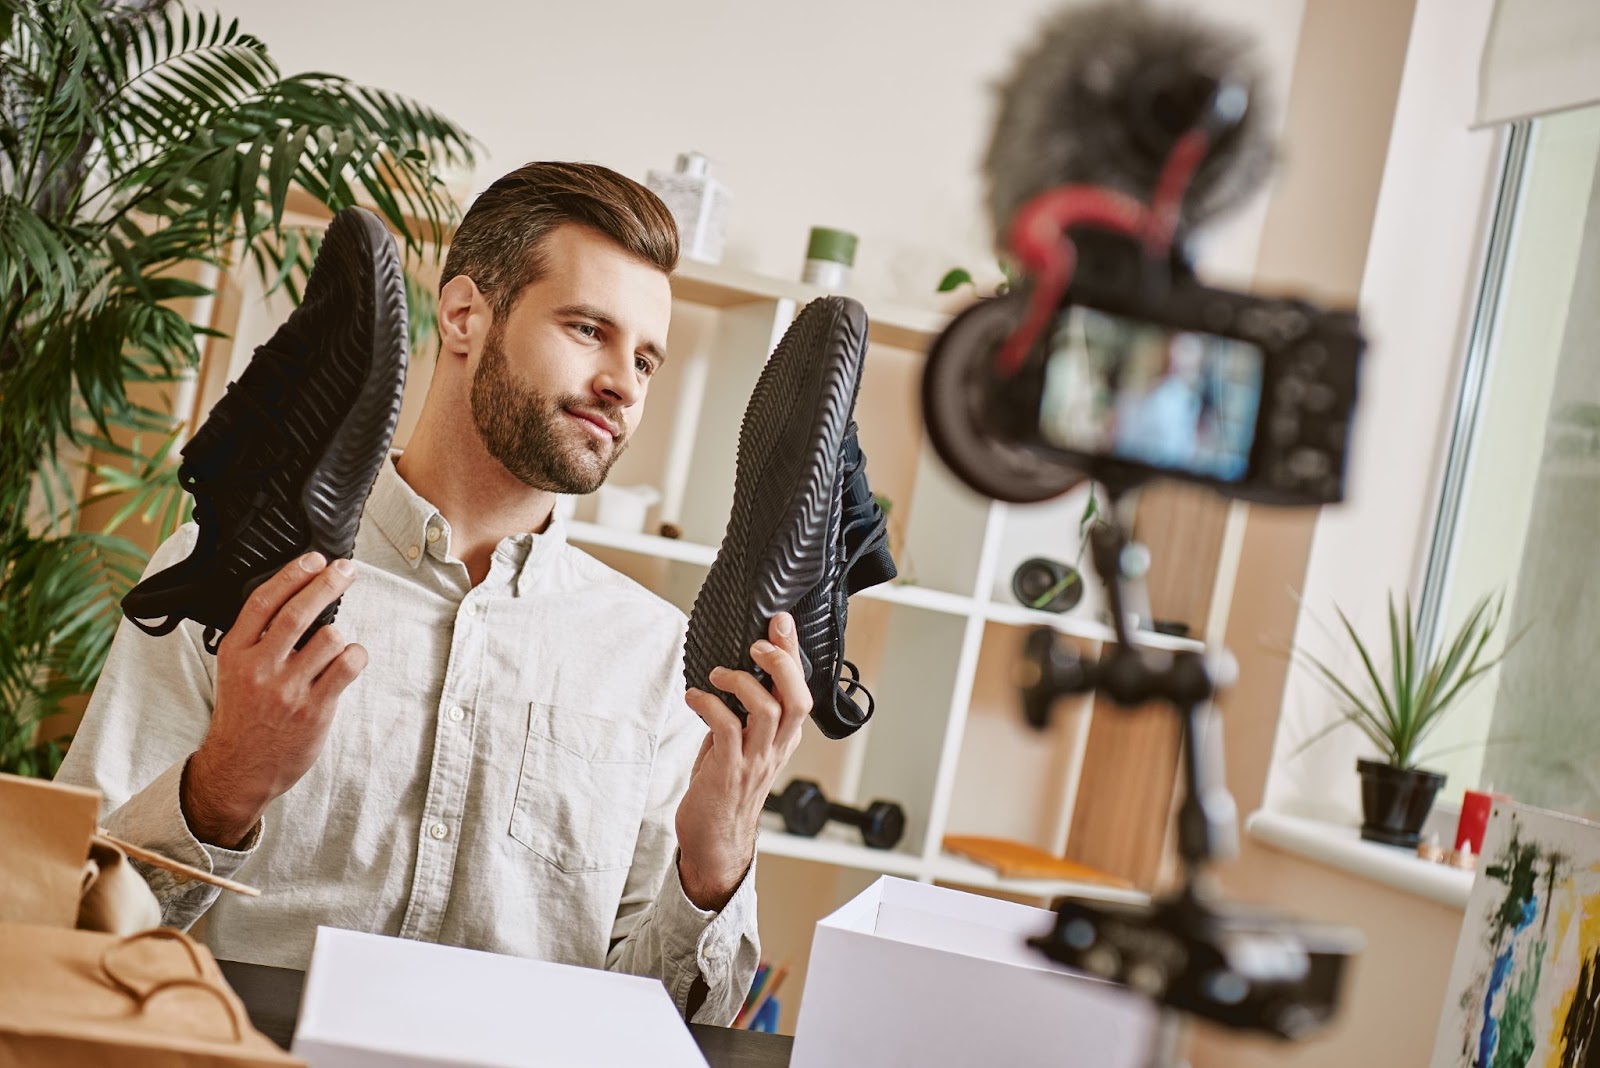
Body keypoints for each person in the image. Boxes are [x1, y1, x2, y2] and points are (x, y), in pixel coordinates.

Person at [56, 162, 807, 1025]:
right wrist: (224, 784)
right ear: (462, 315)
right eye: (587, 329)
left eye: (644, 358)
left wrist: (712, 865)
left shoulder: (654, 658)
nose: (623, 384)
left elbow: (672, 1025)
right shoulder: (234, 576)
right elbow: (69, 920)